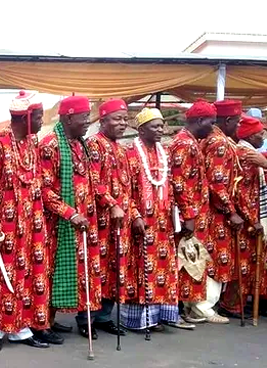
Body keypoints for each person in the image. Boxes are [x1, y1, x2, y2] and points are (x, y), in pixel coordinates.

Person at [0, 91, 52, 352]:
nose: (43, 121)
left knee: (29, 274)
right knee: (2, 276)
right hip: (5, 225)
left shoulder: (33, 144)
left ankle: (21, 330)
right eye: (39, 117)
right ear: (27, 118)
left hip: (32, 222)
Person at [122, 107, 191, 332]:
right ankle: (138, 320)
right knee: (141, 269)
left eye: (162, 125)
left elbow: (175, 185)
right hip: (140, 223)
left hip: (163, 223)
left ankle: (160, 316)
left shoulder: (165, 152)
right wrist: (134, 215)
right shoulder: (131, 154)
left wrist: (185, 214)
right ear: (141, 130)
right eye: (155, 126)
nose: (161, 130)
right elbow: (125, 190)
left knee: (163, 268)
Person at [39, 96, 102, 340]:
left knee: (71, 273)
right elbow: (44, 189)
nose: (88, 121)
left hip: (82, 221)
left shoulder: (80, 145)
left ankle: (51, 320)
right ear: (67, 117)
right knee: (51, 271)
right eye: (83, 117)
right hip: (57, 223)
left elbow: (92, 182)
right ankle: (43, 323)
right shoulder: (50, 145)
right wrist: (70, 213)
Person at [194, 99, 244, 323]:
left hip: (210, 210)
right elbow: (217, 182)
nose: (239, 127)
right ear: (229, 120)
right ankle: (204, 306)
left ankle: (200, 304)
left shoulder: (211, 139)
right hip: (216, 213)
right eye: (238, 122)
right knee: (216, 258)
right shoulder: (219, 143)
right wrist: (231, 210)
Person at [83, 99, 130, 337]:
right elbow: (93, 181)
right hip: (98, 219)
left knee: (115, 268)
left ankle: (104, 317)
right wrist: (111, 204)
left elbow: (126, 186)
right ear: (103, 121)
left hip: (120, 221)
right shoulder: (93, 145)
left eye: (125, 118)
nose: (122, 123)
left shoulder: (121, 149)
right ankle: (86, 319)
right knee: (95, 268)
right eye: (117, 119)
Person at [169, 100, 216, 324]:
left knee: (191, 263)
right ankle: (177, 310)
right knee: (184, 263)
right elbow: (180, 183)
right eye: (211, 122)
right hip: (190, 215)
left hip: (196, 213)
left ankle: (185, 309)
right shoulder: (184, 144)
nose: (213, 128)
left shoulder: (190, 142)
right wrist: (189, 215)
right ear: (199, 121)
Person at [219, 115, 266, 316]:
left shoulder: (253, 153)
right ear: (250, 135)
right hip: (248, 218)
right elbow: (242, 192)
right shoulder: (246, 154)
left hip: (252, 215)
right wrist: (253, 220)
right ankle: (232, 304)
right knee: (244, 263)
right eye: (260, 133)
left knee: (251, 262)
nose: (263, 136)